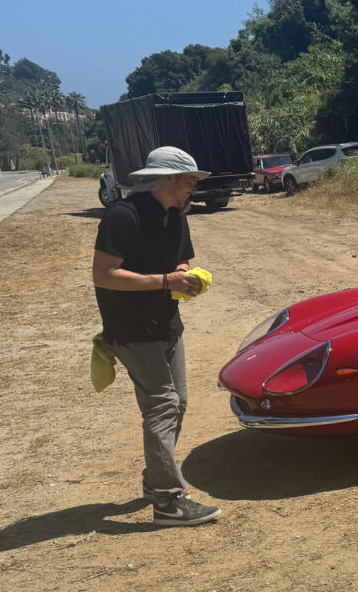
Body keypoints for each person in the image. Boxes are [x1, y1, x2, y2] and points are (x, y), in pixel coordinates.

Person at [91, 146, 220, 527]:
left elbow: (181, 260)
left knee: (176, 403)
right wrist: (165, 281)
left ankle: (156, 481)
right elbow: (103, 274)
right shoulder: (122, 216)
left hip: (167, 325)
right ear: (166, 179)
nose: (193, 189)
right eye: (189, 181)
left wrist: (186, 276)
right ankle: (168, 501)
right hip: (131, 330)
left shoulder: (177, 216)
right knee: (162, 406)